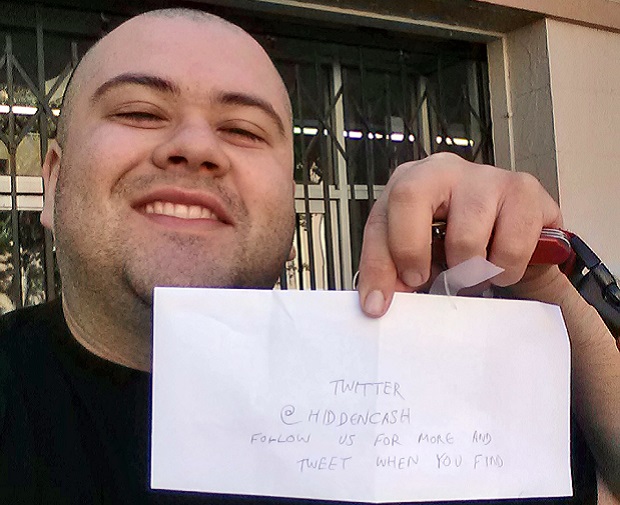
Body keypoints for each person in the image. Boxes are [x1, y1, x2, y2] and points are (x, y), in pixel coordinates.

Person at [0, 7, 617, 504]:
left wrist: (542, 284)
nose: (194, 145)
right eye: (139, 111)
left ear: (290, 210)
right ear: (51, 184)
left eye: (243, 130)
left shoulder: (431, 400)